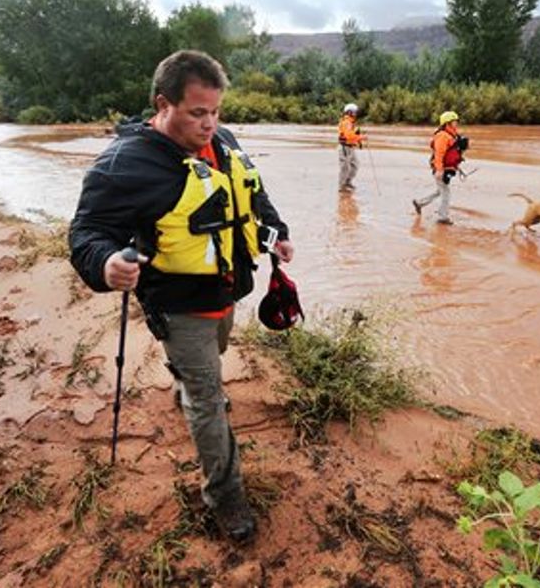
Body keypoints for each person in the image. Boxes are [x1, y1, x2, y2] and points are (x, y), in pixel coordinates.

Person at [69, 50, 295, 545]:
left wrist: (277, 231)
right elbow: (86, 233)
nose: (210, 123)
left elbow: (254, 194)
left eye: (216, 111)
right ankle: (225, 495)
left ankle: (188, 382)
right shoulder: (123, 165)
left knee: (214, 358)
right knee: (208, 400)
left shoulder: (224, 141)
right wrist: (105, 264)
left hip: (227, 290)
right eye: (197, 112)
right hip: (177, 303)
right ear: (163, 104)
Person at [412, 110, 468, 225]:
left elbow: (452, 152)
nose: (456, 123)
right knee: (445, 192)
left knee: (440, 191)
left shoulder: (452, 135)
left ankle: (419, 203)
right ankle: (443, 217)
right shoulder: (442, 136)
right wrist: (439, 170)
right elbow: (439, 154)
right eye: (454, 121)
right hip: (441, 169)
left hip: (448, 168)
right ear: (447, 123)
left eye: (456, 121)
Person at [337, 102, 366, 192]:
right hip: (344, 148)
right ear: (349, 112)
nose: (356, 113)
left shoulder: (351, 123)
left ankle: (347, 182)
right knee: (345, 167)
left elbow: (353, 135)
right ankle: (342, 186)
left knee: (355, 165)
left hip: (350, 148)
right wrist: (361, 137)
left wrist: (359, 141)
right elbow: (349, 135)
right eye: (354, 112)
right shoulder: (346, 122)